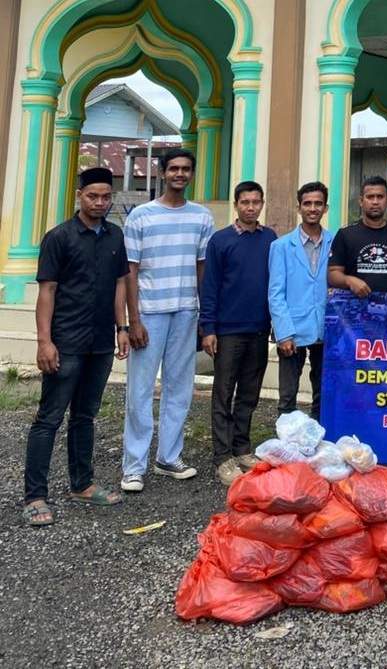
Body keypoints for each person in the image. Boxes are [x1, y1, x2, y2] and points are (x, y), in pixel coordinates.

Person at [22, 167, 129, 526]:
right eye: (92, 196)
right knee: (49, 418)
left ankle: (82, 484)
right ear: (79, 195)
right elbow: (47, 291)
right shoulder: (59, 237)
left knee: (85, 416)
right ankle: (35, 496)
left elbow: (120, 283)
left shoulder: (115, 235)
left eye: (106, 197)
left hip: (100, 343)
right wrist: (44, 341)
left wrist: (122, 328)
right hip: (65, 342)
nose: (100, 203)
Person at [121, 149, 214, 493]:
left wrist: (204, 315)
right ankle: (134, 466)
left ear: (192, 174)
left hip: (186, 311)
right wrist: (133, 319)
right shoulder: (141, 216)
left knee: (179, 388)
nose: (179, 174)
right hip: (149, 313)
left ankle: (169, 457)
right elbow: (130, 271)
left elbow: (202, 268)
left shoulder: (201, 217)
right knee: (140, 390)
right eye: (173, 168)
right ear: (162, 172)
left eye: (185, 169)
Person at [200, 181, 276, 486]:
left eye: (256, 202)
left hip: (258, 328)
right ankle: (222, 456)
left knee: (249, 393)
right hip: (227, 331)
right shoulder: (220, 241)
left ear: (262, 204)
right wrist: (208, 328)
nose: (251, 207)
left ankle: (242, 448)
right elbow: (210, 287)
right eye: (245, 202)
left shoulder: (270, 238)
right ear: (236, 205)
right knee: (223, 394)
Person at [269, 181, 335, 421]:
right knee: (288, 396)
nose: (313, 208)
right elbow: (275, 293)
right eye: (307, 203)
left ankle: (319, 436)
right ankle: (286, 439)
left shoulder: (335, 242)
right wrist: (283, 333)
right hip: (293, 329)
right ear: (299, 207)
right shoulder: (281, 246)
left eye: (318, 203)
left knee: (323, 392)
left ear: (325, 208)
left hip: (326, 327)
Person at [328, 176, 387, 296]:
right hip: (354, 305)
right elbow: (332, 274)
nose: (375, 202)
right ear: (361, 201)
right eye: (370, 197)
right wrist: (349, 280)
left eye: (380, 197)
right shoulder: (345, 234)